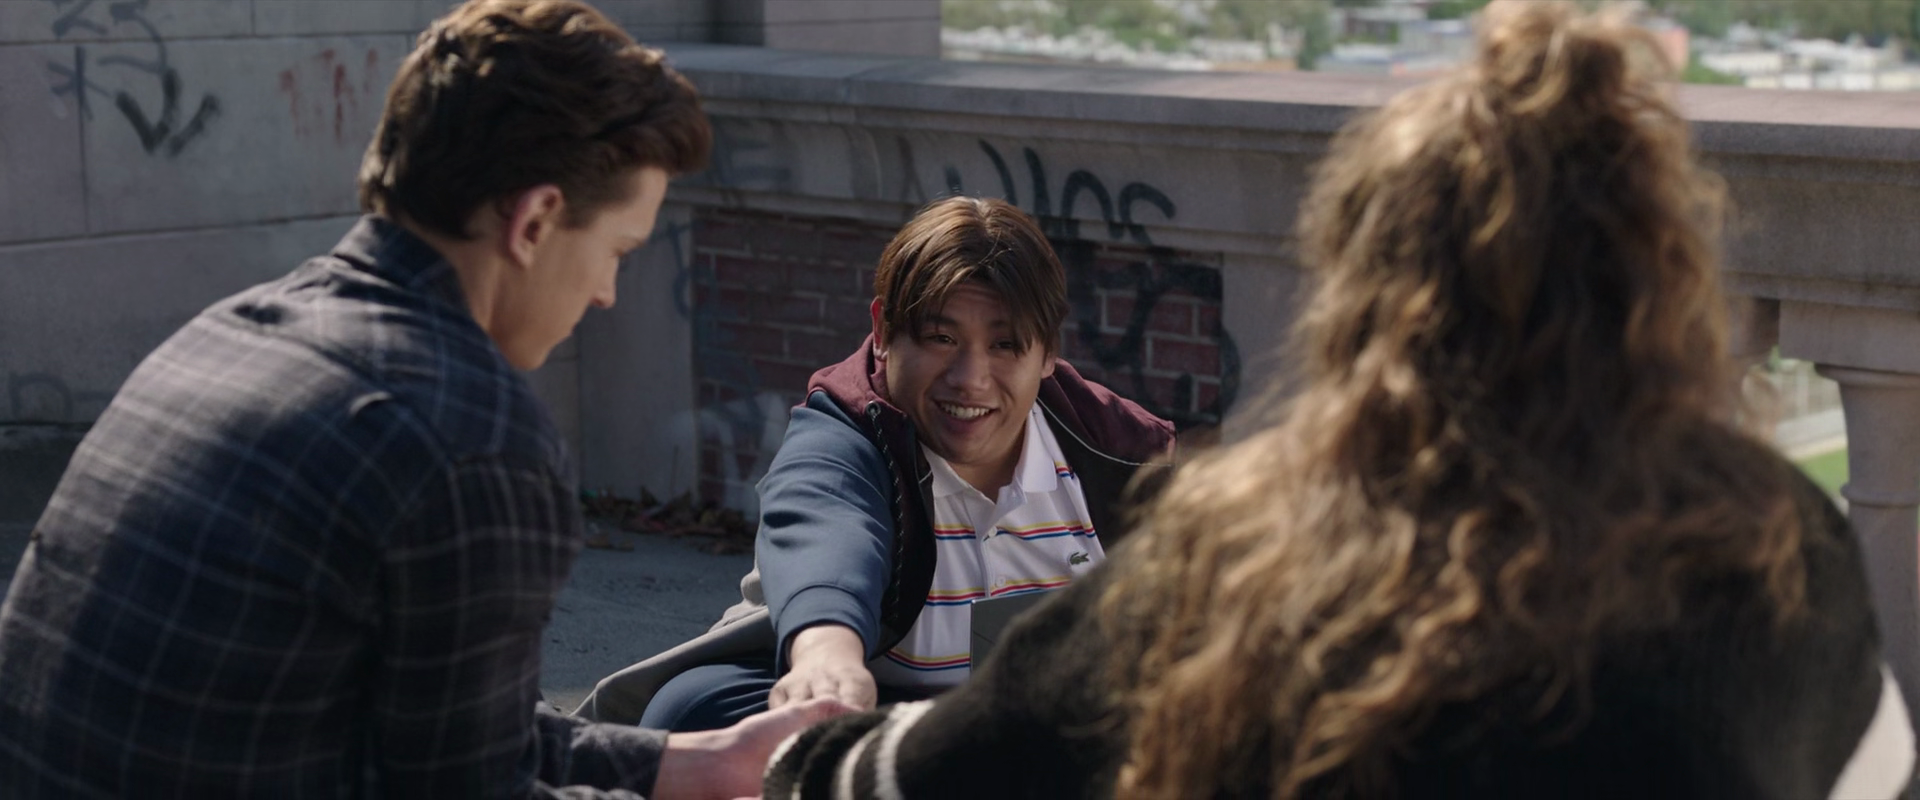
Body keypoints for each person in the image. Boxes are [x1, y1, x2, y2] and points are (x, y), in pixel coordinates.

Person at [759, 3, 1916, 798]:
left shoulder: (1234, 561)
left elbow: (897, 780)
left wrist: (787, 754)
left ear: (1368, 289)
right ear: (1666, 283)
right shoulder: (1778, 543)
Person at [0, 1, 847, 797]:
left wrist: (692, 764)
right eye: (617, 250)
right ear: (535, 223)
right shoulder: (467, 435)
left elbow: (447, 733)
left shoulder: (231, 334)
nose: (605, 293)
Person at [575, 196, 1176, 731]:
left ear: (1047, 354)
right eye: (941, 338)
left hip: (1065, 726)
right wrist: (825, 657)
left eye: (1004, 345)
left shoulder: (1123, 454)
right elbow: (824, 532)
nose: (970, 379)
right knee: (691, 710)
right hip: (882, 717)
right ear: (884, 331)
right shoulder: (848, 431)